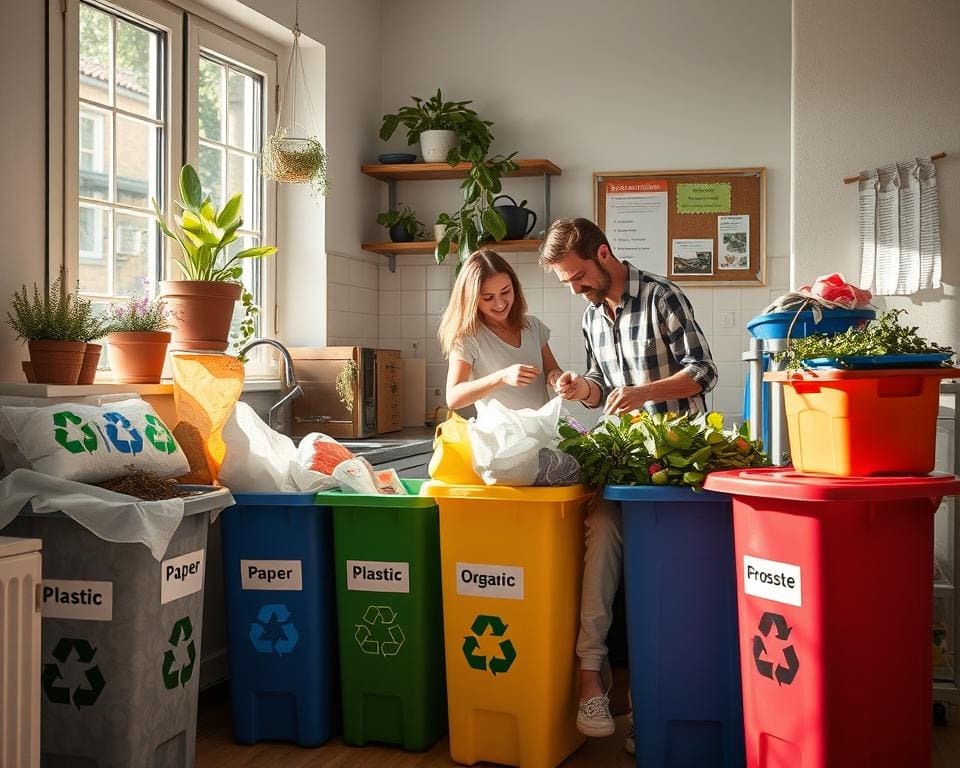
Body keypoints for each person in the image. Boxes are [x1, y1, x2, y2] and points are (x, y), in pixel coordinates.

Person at [539, 217, 718, 749]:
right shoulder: (592, 315)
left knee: (662, 572)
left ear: (604, 253)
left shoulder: (662, 297)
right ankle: (591, 674)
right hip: (626, 458)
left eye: (577, 276)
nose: (574, 288)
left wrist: (642, 393)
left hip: (677, 462)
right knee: (601, 531)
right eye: (566, 282)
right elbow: (600, 388)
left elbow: (703, 371)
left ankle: (657, 702)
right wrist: (581, 387)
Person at [438, 249, 563, 411]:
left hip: (541, 430)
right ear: (472, 300)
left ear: (515, 288)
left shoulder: (533, 326)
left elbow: (552, 370)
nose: (500, 304)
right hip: (499, 434)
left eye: (506, 292)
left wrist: (557, 378)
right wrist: (502, 377)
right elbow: (453, 398)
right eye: (488, 297)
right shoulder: (468, 337)